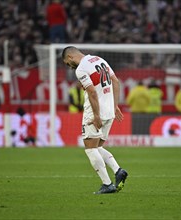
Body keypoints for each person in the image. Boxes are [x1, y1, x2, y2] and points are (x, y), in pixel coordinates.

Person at [62, 46, 128, 194]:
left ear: (70, 57)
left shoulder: (81, 69)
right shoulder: (99, 60)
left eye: (67, 63)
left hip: (94, 112)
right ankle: (118, 171)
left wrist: (96, 115)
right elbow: (116, 81)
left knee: (90, 149)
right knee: (97, 147)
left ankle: (107, 184)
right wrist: (115, 105)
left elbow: (91, 92)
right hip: (109, 110)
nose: (69, 66)